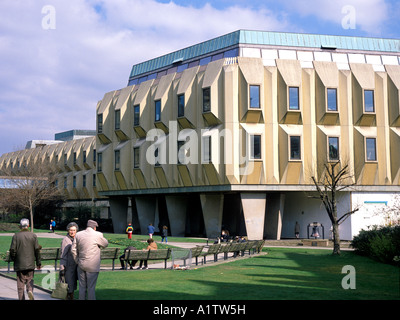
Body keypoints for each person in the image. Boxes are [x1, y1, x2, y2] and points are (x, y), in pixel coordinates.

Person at [71, 219, 108, 300]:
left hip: (81, 264)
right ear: (94, 227)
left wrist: (77, 260)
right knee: (91, 288)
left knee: (82, 287)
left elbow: (73, 250)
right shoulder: (97, 234)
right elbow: (105, 244)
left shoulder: (78, 234)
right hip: (92, 265)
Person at [9, 218, 41, 300]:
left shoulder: (16, 236)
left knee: (20, 283)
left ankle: (21, 298)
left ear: (20, 226)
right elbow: (37, 250)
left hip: (20, 264)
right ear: (28, 226)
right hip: (30, 263)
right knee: (29, 280)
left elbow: (12, 250)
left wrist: (14, 258)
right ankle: (30, 290)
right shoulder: (33, 236)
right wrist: (38, 263)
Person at [59, 222, 79, 300]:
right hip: (68, 267)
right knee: (69, 286)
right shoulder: (66, 240)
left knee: (73, 285)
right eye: (70, 230)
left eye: (74, 230)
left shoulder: (77, 238)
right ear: (68, 230)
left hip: (76, 266)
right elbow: (63, 255)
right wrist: (62, 267)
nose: (72, 232)